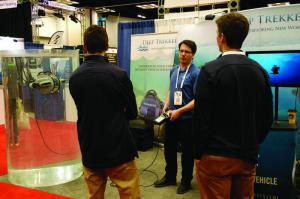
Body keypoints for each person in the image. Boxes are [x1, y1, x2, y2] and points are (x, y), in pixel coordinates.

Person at [193, 12, 273, 199]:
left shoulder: (209, 70)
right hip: (247, 156)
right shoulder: (260, 71)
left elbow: (202, 118)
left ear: (221, 37)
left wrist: (198, 153)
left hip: (215, 157)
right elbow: (266, 117)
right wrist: (253, 143)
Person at [69, 25, 140, 199]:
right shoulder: (119, 75)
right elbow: (132, 113)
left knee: (94, 195)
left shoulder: (74, 77)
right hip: (119, 148)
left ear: (84, 47)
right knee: (130, 194)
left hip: (90, 146)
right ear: (107, 47)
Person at [154, 40, 199, 194]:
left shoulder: (196, 73)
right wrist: (166, 105)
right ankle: (170, 177)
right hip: (172, 118)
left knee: (187, 152)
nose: (183, 54)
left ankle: (186, 181)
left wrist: (181, 111)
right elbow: (171, 90)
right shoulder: (173, 70)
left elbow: (197, 99)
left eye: (187, 51)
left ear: (193, 54)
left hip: (187, 120)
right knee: (169, 149)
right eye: (181, 51)